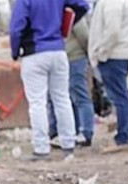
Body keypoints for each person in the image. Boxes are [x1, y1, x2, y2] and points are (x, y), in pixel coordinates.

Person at [10, 0, 89, 160]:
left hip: (34, 53)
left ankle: (41, 148)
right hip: (58, 51)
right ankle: (69, 144)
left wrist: (15, 51)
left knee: (37, 102)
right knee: (62, 99)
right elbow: (83, 5)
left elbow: (15, 28)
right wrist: (66, 24)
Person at [89, 0, 128, 152]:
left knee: (119, 97)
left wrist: (101, 53)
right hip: (119, 53)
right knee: (121, 96)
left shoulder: (112, 3)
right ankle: (123, 135)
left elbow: (113, 31)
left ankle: (123, 138)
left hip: (114, 55)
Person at [47, 17, 94, 147]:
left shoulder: (71, 11)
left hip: (75, 57)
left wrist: (88, 53)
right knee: (67, 98)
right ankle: (73, 131)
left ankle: (86, 131)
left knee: (79, 95)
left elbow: (84, 35)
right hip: (64, 58)